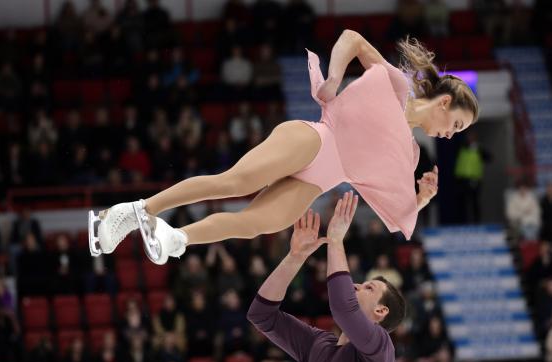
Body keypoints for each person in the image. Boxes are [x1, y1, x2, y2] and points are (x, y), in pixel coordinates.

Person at [89, 30, 478, 264]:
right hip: (312, 140)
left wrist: (422, 198)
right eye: (456, 124)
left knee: (255, 223)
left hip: (320, 182)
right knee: (234, 183)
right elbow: (352, 39)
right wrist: (334, 78)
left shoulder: (409, 155)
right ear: (444, 103)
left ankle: (177, 237)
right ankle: (131, 212)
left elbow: (397, 211)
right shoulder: (395, 85)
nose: (451, 134)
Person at [247, 192, 407, 362]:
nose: (355, 285)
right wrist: (295, 257)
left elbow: (343, 308)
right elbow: (261, 315)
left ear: (381, 311)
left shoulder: (380, 349)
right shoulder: (317, 344)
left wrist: (335, 241)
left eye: (368, 287)